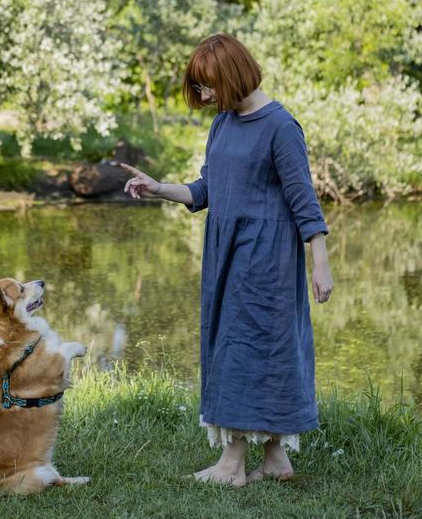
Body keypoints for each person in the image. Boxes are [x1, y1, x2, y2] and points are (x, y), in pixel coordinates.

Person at [120, 33, 333, 486]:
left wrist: (321, 263)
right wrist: (158, 188)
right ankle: (276, 461)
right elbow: (205, 190)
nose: (203, 95)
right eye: (198, 87)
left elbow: (304, 201)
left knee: (251, 349)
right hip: (226, 254)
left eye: (208, 85)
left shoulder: (280, 126)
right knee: (239, 345)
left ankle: (232, 465)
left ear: (233, 74)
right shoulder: (222, 124)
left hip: (267, 259)